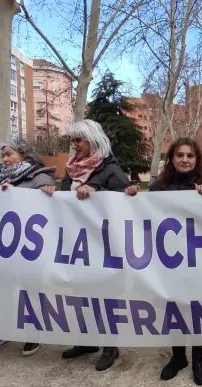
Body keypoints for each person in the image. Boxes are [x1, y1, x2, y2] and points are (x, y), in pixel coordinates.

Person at [134, 137, 202, 386]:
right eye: (179, 155)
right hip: (168, 260)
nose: (184, 160)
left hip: (197, 260)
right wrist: (131, 197)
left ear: (197, 160)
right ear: (171, 159)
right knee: (174, 308)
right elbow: (142, 215)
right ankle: (179, 357)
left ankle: (199, 358)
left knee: (197, 309)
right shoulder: (159, 187)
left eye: (190, 156)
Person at [58, 119, 132, 371]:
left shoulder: (111, 169)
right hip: (78, 244)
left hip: (105, 245)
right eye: (72, 141)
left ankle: (110, 346)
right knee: (81, 294)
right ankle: (86, 341)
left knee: (106, 296)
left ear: (93, 140)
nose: (74, 145)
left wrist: (97, 189)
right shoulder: (71, 170)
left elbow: (125, 202)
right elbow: (60, 203)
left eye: (78, 140)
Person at [0, 140, 56, 356]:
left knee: (31, 290)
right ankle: (2, 331)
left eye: (9, 154)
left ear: (24, 155)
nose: (4, 159)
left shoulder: (40, 176)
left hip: (31, 247)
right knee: (2, 289)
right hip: (5, 244)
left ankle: (34, 334)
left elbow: (47, 208)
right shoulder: (3, 177)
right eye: (3, 155)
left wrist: (18, 195)